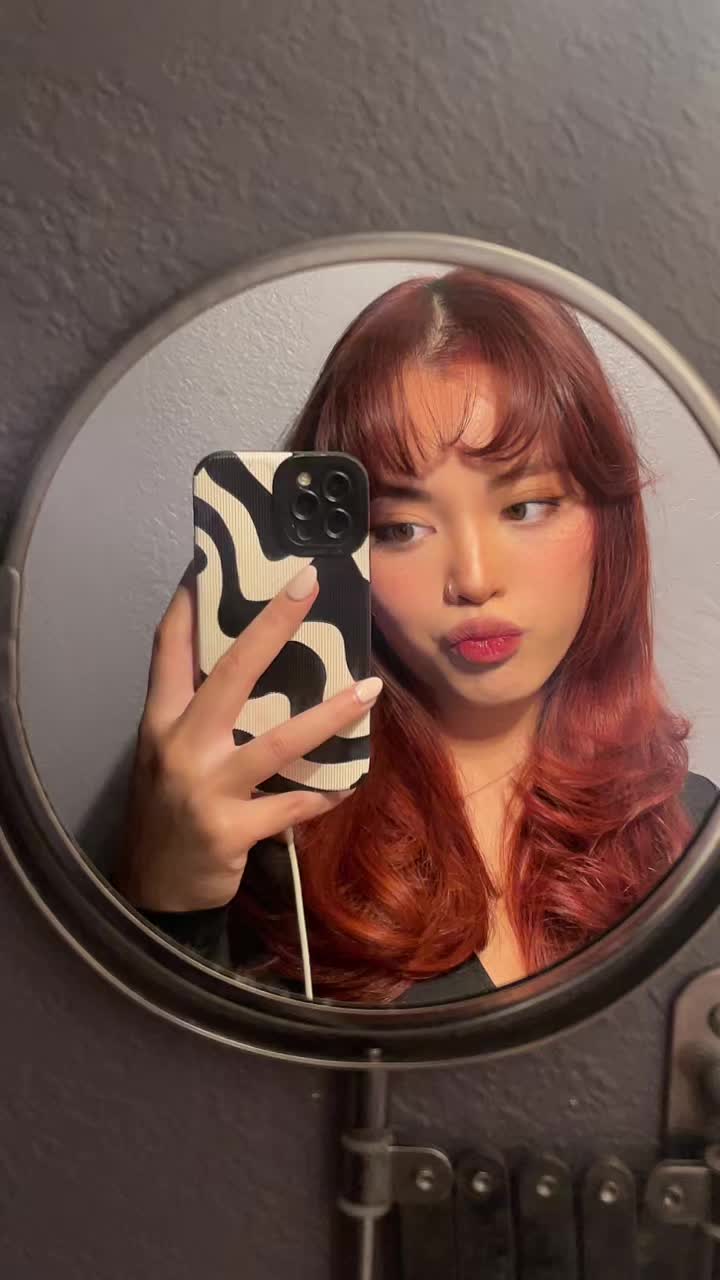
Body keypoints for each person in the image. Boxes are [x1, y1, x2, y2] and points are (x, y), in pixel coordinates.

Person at [115, 268, 718, 1006]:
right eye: (401, 528)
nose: (473, 579)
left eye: (526, 507)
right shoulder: (261, 840)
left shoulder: (692, 833)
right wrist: (168, 899)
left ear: (607, 524)